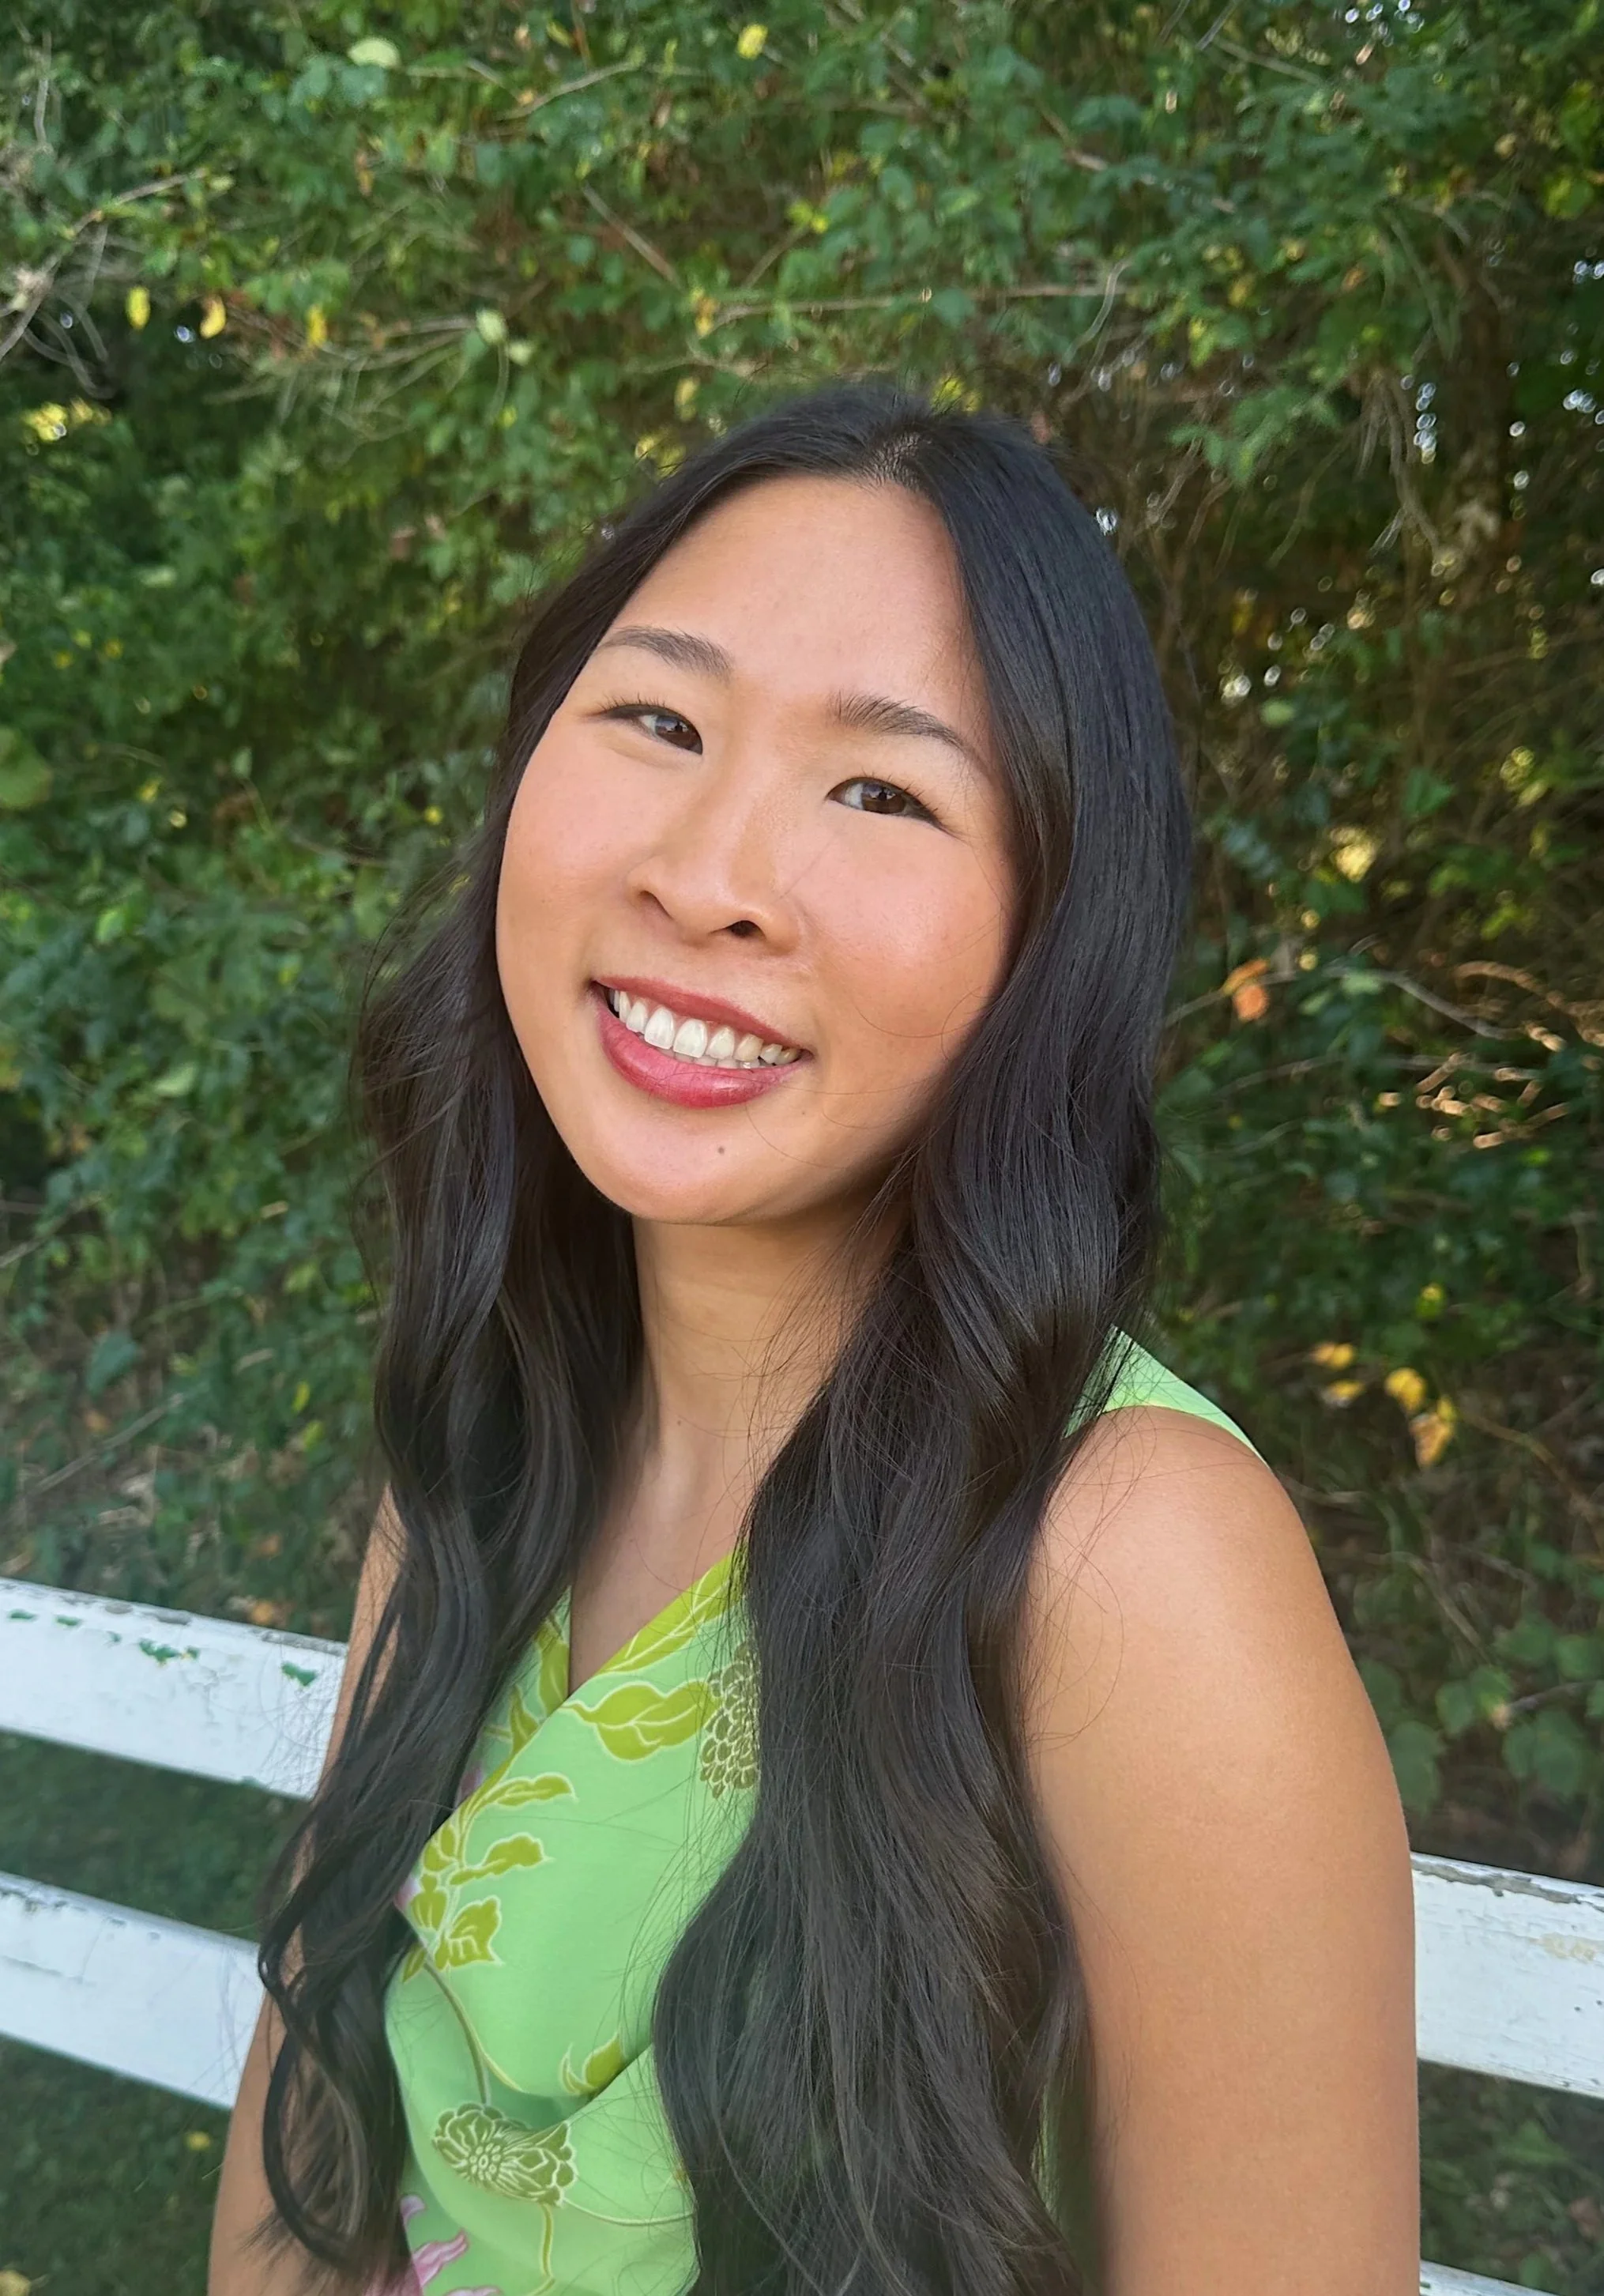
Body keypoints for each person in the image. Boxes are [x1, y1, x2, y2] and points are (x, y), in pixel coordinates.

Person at [209, 380, 1418, 2296]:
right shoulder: (482, 1452)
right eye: (658, 721)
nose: (705, 877)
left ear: (1049, 930)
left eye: (881, 790)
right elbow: (310, 2189)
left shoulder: (1129, 1568)